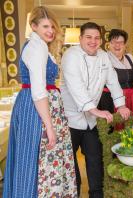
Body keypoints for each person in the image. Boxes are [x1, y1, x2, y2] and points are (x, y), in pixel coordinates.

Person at [3, 6, 77, 197]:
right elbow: (38, 91)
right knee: (33, 159)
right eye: (45, 26)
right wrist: (49, 126)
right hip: (36, 109)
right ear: (33, 26)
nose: (50, 30)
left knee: (32, 159)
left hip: (36, 106)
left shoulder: (39, 45)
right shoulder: (37, 47)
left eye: (52, 26)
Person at [60, 22, 130, 198]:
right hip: (69, 119)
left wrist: (120, 105)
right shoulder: (70, 56)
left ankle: (96, 195)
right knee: (69, 162)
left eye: (97, 37)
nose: (93, 41)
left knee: (95, 160)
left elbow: (113, 81)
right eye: (88, 37)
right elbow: (76, 87)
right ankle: (72, 193)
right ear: (80, 38)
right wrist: (96, 111)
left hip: (90, 121)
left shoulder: (103, 56)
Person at [98, 29, 133, 123]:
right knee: (113, 129)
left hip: (130, 98)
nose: (117, 45)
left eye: (120, 42)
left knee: (129, 129)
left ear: (124, 45)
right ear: (109, 44)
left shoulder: (130, 58)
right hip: (109, 99)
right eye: (114, 42)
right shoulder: (104, 58)